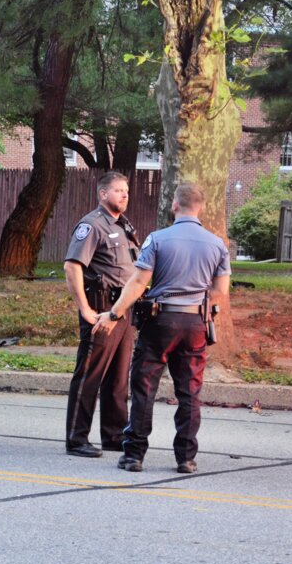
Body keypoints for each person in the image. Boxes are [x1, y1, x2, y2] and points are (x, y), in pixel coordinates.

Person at [92, 183, 231, 473]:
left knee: (144, 388)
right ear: (201, 207)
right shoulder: (217, 244)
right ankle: (186, 458)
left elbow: (139, 282)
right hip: (195, 323)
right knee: (189, 392)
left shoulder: (157, 239)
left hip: (160, 322)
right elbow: (221, 290)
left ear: (174, 205)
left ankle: (134, 456)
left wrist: (114, 313)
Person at [63, 172, 140, 458]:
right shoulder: (92, 225)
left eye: (126, 191)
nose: (124, 195)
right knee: (89, 374)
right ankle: (76, 438)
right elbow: (72, 267)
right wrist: (85, 309)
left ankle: (113, 434)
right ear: (102, 194)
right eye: (118, 190)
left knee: (119, 377)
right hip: (102, 307)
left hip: (124, 309)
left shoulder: (124, 226)